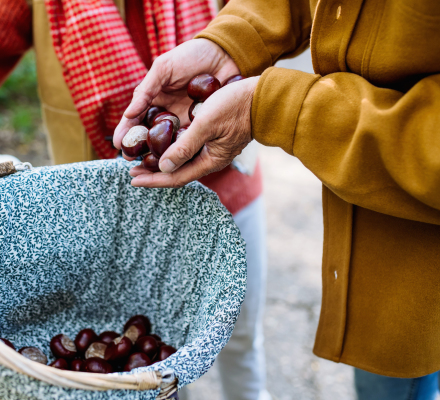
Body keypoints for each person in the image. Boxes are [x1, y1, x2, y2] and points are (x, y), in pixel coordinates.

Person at [0, 0, 271, 399]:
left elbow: (275, 22)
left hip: (222, 197)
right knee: (158, 367)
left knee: (238, 338)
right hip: (97, 213)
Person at [113, 0, 440, 399]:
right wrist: (231, 41)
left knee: (399, 378)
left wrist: (276, 107)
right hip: (380, 247)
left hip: (421, 273)